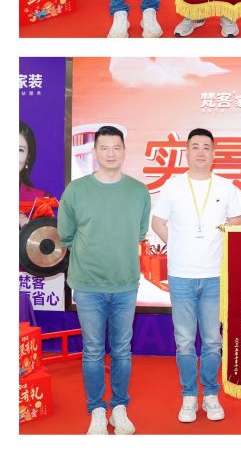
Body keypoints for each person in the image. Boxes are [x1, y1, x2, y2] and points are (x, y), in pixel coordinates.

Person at [58, 125, 151, 435]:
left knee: (122, 350)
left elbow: (140, 231)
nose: (110, 153)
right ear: (95, 151)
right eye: (104, 147)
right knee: (93, 350)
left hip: (125, 283)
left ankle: (119, 408)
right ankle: (97, 409)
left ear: (124, 151)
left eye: (116, 147)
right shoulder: (76, 190)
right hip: (87, 284)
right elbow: (66, 235)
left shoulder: (138, 191)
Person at [149, 128, 241, 424]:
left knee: (213, 340)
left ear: (214, 153)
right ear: (186, 152)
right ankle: (189, 396)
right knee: (185, 341)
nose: (201, 152)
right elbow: (157, 222)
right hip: (181, 276)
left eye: (206, 147)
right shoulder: (173, 186)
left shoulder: (226, 187)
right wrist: (176, 245)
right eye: (195, 146)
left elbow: (236, 222)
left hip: (214, 276)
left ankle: (211, 394)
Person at [19, 120, 50, 223]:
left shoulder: (40, 200)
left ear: (28, 158)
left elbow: (47, 232)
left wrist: (28, 227)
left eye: (20, 150)